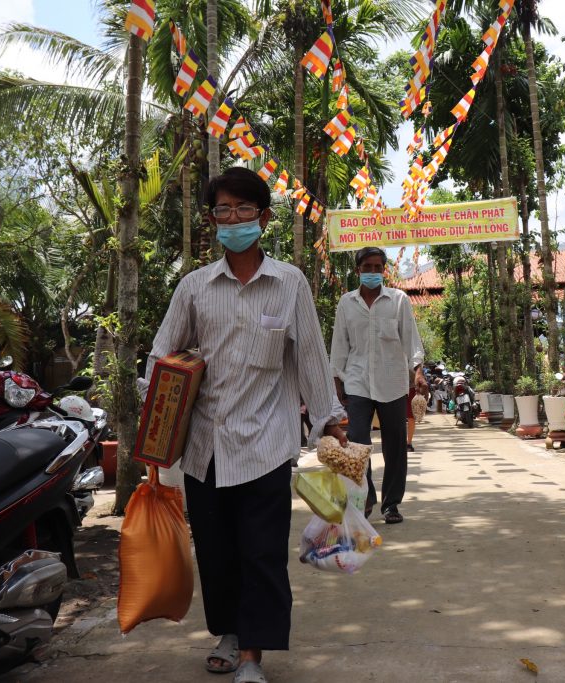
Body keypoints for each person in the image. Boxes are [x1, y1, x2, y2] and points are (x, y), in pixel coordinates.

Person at [142, 167, 347, 683]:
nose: (233, 219)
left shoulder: (290, 283)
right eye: (224, 211)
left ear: (264, 218)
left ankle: (253, 655)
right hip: (205, 445)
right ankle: (230, 634)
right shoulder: (194, 288)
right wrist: (157, 427)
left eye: (243, 210)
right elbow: (161, 357)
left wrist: (328, 419)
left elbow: (310, 358)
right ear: (213, 220)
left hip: (267, 442)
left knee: (262, 552)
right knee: (217, 553)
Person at [331, 246, 426, 524]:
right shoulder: (346, 303)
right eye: (367, 267)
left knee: (395, 446)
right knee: (357, 444)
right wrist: (337, 381)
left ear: (384, 270)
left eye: (377, 267)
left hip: (392, 383)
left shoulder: (398, 300)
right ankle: (366, 497)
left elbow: (411, 340)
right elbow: (340, 345)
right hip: (357, 382)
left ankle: (391, 504)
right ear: (358, 270)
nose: (373, 272)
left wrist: (418, 372)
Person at [405, 366, 429, 450]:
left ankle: (408, 443)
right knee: (409, 418)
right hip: (407, 388)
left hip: (411, 388)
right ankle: (408, 444)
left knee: (410, 418)